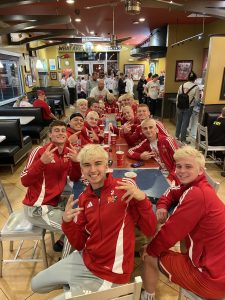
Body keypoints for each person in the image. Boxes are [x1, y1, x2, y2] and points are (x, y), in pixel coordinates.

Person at [31, 144, 157, 298]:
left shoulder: (124, 188)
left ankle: (84, 290)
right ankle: (78, 287)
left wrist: (143, 200)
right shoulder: (84, 197)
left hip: (111, 271)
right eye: (86, 165)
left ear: (106, 165)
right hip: (85, 259)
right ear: (82, 170)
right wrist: (67, 222)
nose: (92, 170)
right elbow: (79, 243)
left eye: (98, 164)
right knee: (36, 284)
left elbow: (150, 229)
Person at [141, 146, 225, 300]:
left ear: (201, 170)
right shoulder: (198, 186)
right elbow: (173, 190)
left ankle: (147, 296)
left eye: (188, 166)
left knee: (149, 255)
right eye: (178, 166)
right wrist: (162, 205)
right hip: (219, 266)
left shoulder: (196, 194)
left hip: (211, 280)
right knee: (180, 239)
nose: (181, 171)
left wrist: (151, 249)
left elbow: (169, 233)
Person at [21, 120, 81, 250]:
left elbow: (75, 178)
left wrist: (76, 162)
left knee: (84, 212)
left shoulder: (67, 152)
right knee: (77, 228)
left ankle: (62, 242)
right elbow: (24, 181)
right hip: (37, 209)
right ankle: (68, 263)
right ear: (50, 135)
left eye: (63, 130)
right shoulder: (39, 151)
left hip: (55, 203)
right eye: (56, 130)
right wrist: (42, 162)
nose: (60, 133)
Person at [127, 118, 179, 184]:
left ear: (157, 129)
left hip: (174, 176)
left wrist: (170, 178)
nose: (148, 130)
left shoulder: (167, 141)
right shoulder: (146, 143)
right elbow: (130, 151)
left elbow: (179, 161)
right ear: (142, 131)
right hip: (159, 173)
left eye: (151, 127)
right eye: (145, 128)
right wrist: (140, 156)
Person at [175, 71, 200, 144]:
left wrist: (178, 105)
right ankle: (183, 139)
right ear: (195, 79)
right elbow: (197, 99)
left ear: (188, 78)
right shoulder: (196, 87)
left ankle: (176, 136)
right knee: (185, 123)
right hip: (188, 107)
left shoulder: (182, 85)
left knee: (179, 121)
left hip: (179, 106)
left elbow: (177, 96)